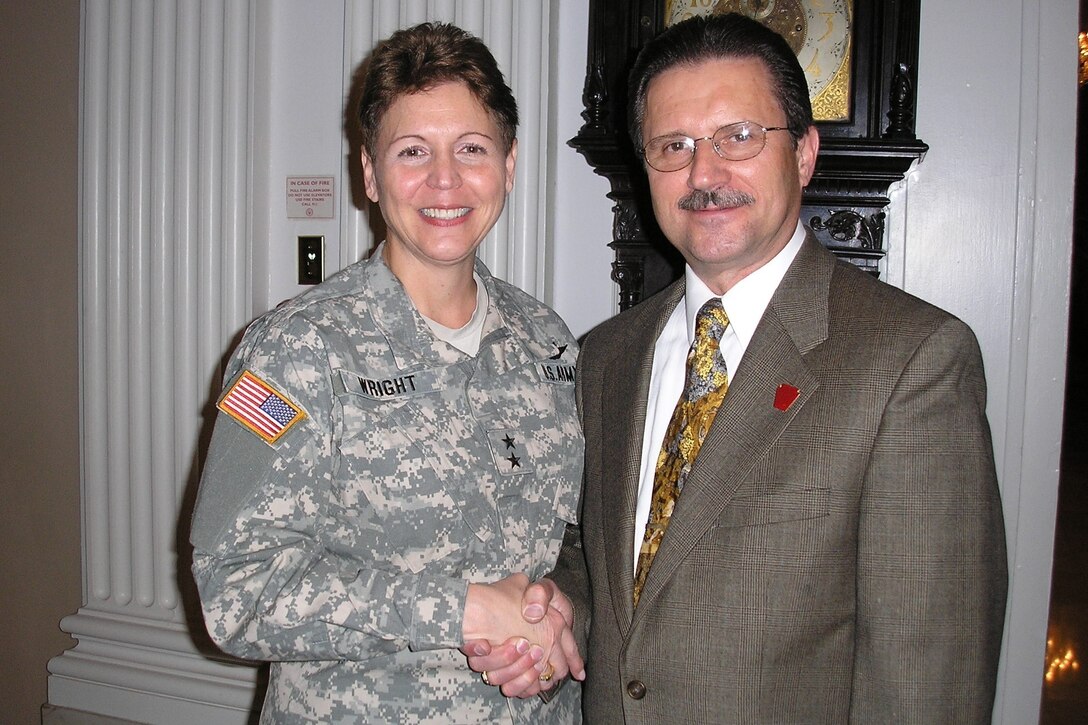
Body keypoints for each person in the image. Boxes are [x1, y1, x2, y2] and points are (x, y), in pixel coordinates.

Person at [467, 13, 1008, 723]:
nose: (704, 172)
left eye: (740, 137)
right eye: (674, 145)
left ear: (805, 153)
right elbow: (620, 572)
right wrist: (559, 609)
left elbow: (928, 682)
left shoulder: (912, 362)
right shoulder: (605, 357)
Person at [190, 22, 584, 724]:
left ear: (509, 165)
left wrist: (561, 611)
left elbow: (580, 535)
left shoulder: (549, 344)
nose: (445, 179)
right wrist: (460, 608)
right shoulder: (292, 352)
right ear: (369, 173)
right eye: (412, 151)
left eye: (472, 149)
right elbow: (233, 593)